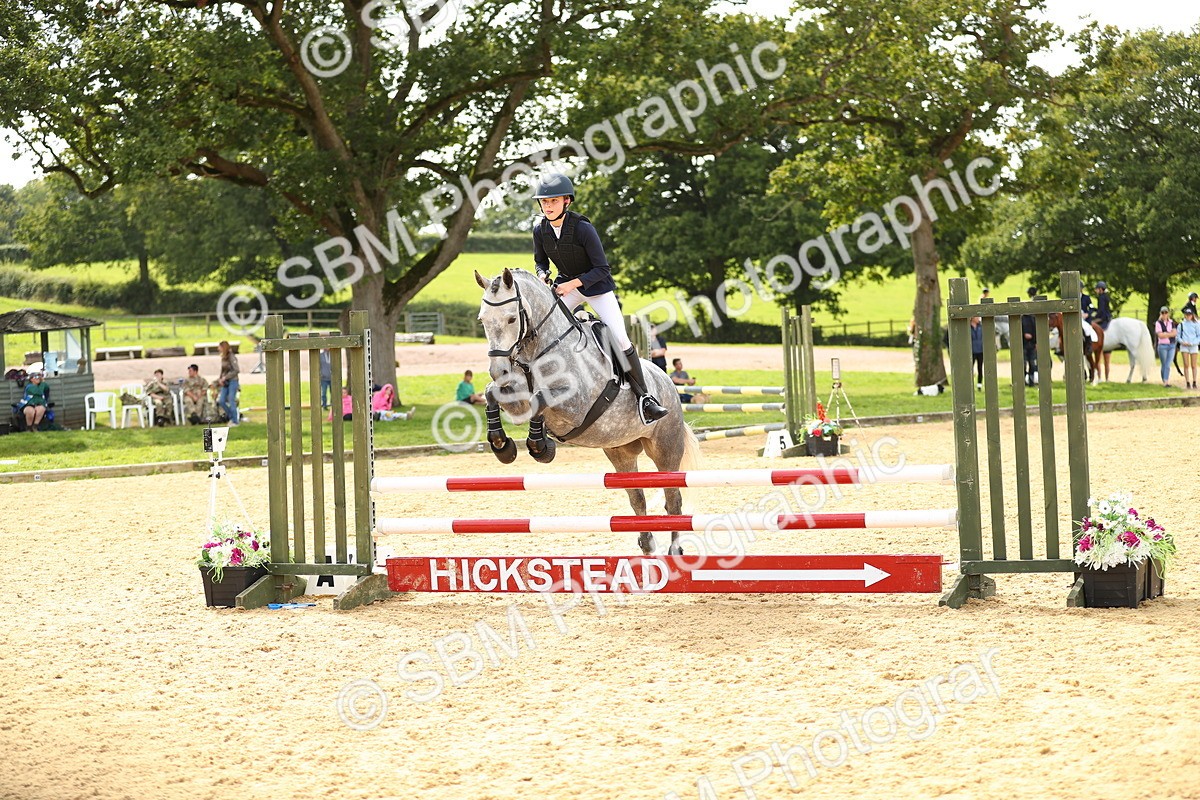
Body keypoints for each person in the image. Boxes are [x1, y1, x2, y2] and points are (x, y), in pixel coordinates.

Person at [531, 172, 667, 424]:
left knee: (620, 337)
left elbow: (602, 269)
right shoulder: (540, 229)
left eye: (553, 201)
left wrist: (572, 283)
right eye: (545, 202)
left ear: (566, 202)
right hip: (566, 287)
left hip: (597, 288)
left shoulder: (583, 228)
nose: (548, 206)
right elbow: (540, 261)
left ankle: (645, 398)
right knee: (545, 331)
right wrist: (542, 274)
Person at [217, 340, 240, 425]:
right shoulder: (223, 357)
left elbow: (236, 370)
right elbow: (222, 370)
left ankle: (235, 421)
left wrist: (225, 377)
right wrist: (220, 379)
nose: (218, 349)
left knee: (231, 399)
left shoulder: (232, 357)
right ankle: (232, 416)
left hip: (233, 381)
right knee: (221, 400)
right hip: (225, 382)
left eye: (219, 347)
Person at [1154, 306, 1177, 387]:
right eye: (1163, 313)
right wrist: (1169, 334)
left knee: (1168, 364)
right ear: (1160, 314)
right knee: (1164, 364)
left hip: (1171, 345)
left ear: (1168, 314)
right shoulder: (1158, 323)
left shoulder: (1171, 322)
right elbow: (1160, 335)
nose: (1164, 314)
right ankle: (1164, 379)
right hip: (1162, 346)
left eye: (1166, 313)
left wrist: (1165, 334)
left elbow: (1174, 333)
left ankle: (1166, 381)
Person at [1178, 306, 1200, 390]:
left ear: (1192, 315)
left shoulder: (1196, 324)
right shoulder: (1181, 325)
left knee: (1194, 365)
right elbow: (1178, 336)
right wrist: (1183, 342)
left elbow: (1198, 336)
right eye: (1187, 314)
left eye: (1189, 314)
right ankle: (1187, 381)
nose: (1188, 316)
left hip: (1193, 346)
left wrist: (1193, 343)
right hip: (1184, 346)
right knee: (1186, 364)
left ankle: (1194, 381)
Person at [1021, 288, 1038, 386]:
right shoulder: (1022, 318)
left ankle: (1031, 381)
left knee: (1032, 363)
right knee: (1023, 364)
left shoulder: (1033, 318)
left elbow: (1035, 330)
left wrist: (1036, 342)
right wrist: (1024, 334)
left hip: (1031, 344)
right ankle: (1023, 380)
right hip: (1023, 343)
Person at [969, 316, 984, 389]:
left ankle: (979, 385)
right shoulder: (968, 327)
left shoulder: (981, 327)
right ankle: (970, 384)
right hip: (972, 351)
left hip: (980, 351)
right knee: (970, 368)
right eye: (977, 317)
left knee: (980, 368)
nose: (978, 319)